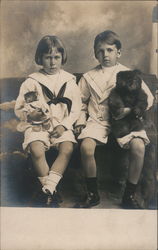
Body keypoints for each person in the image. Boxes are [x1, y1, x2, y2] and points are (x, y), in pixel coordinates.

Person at [74, 30, 154, 209]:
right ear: (95, 53)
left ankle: (129, 195)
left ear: (118, 52)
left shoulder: (128, 73)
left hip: (125, 121)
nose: (105, 55)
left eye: (110, 50)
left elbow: (147, 99)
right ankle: (93, 194)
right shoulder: (88, 77)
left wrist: (130, 110)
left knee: (139, 146)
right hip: (98, 120)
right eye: (100, 51)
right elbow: (79, 103)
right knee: (86, 147)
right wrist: (80, 121)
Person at [15, 35, 82, 207]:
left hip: (61, 124)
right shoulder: (32, 81)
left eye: (56, 57)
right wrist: (31, 116)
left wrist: (63, 126)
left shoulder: (69, 81)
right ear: (40, 58)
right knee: (36, 149)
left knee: (67, 147)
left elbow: (76, 110)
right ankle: (52, 191)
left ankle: (48, 190)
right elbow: (20, 107)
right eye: (48, 57)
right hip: (37, 125)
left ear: (62, 58)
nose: (52, 62)